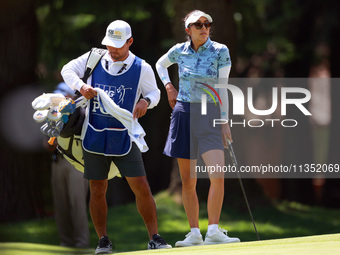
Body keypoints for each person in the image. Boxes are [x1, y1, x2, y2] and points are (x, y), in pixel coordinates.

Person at [61, 20, 171, 254]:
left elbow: (155, 93)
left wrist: (145, 101)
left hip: (125, 136)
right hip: (94, 134)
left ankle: (155, 237)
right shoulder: (94, 58)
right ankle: (103, 240)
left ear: (130, 42)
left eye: (118, 45)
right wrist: (81, 87)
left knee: (141, 186)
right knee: (97, 188)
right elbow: (67, 70)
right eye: (110, 43)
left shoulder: (142, 67)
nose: (112, 49)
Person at [155, 10, 240, 246]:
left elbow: (223, 88)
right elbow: (160, 65)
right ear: (188, 29)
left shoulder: (220, 51)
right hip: (183, 113)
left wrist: (224, 121)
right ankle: (194, 233)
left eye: (207, 24)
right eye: (198, 24)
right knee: (187, 180)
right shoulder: (178, 51)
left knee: (217, 175)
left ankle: (213, 230)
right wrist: (169, 87)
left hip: (209, 112)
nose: (204, 28)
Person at [46, 82, 90, 248]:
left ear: (72, 97)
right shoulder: (52, 115)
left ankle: (81, 243)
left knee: (77, 203)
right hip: (58, 162)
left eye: (63, 96)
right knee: (60, 204)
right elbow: (47, 145)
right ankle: (66, 242)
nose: (60, 99)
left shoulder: (82, 112)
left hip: (76, 164)